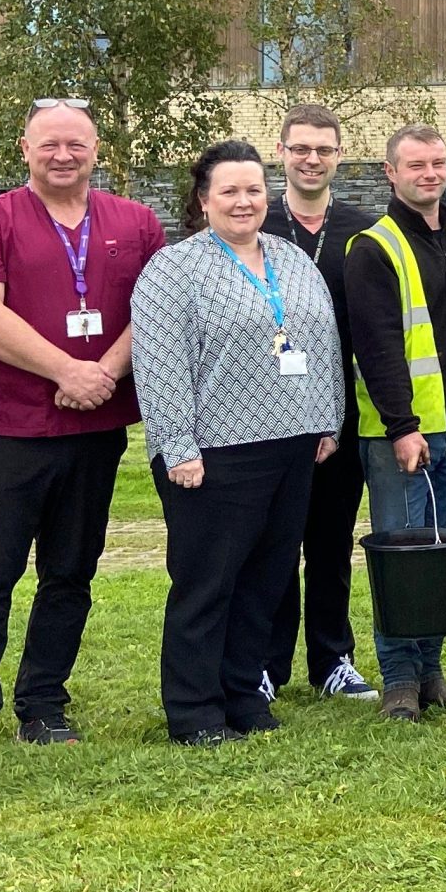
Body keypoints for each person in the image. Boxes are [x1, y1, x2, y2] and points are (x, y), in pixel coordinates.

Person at [0, 99, 167, 773]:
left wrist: (103, 374)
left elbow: (152, 309)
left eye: (76, 144)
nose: (63, 155)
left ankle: (43, 701)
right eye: (49, 144)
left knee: (70, 572)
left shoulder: (135, 222)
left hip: (95, 428)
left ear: (97, 150)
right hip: (9, 430)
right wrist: (67, 368)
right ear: (24, 148)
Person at [131, 142, 344, 745]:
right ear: (204, 200)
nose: (244, 201)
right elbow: (159, 364)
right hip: (214, 452)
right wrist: (178, 447)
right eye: (229, 191)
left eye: (253, 189)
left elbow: (324, 340)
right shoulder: (174, 270)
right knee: (208, 583)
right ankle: (195, 710)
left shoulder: (291, 259)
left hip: (293, 443)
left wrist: (328, 419)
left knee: (266, 580)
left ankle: (244, 695)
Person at [346, 125, 446, 721]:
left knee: (442, 555)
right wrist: (402, 426)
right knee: (402, 559)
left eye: (438, 163)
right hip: (403, 435)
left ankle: (431, 672)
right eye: (415, 165)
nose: (429, 174)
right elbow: (376, 348)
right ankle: (400, 680)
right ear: (390, 172)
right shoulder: (372, 247)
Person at [260, 103, 380, 704]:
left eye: (323, 150)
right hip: (264, 413)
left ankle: (333, 658)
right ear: (280, 152)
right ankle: (266, 662)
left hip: (342, 411)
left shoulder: (365, 231)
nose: (311, 159)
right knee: (275, 542)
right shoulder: (253, 223)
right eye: (300, 148)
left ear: (339, 156)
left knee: (331, 542)